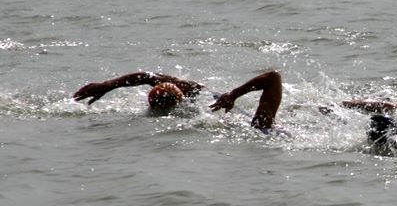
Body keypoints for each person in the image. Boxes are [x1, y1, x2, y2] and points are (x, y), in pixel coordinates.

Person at [73, 71, 204, 111]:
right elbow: (147, 76)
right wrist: (107, 85)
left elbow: (147, 77)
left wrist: (107, 86)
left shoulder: (196, 94)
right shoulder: (170, 85)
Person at [209, 70, 282, 131]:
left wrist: (232, 95)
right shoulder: (265, 124)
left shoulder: (263, 124)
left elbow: (272, 78)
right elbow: (272, 78)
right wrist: (232, 95)